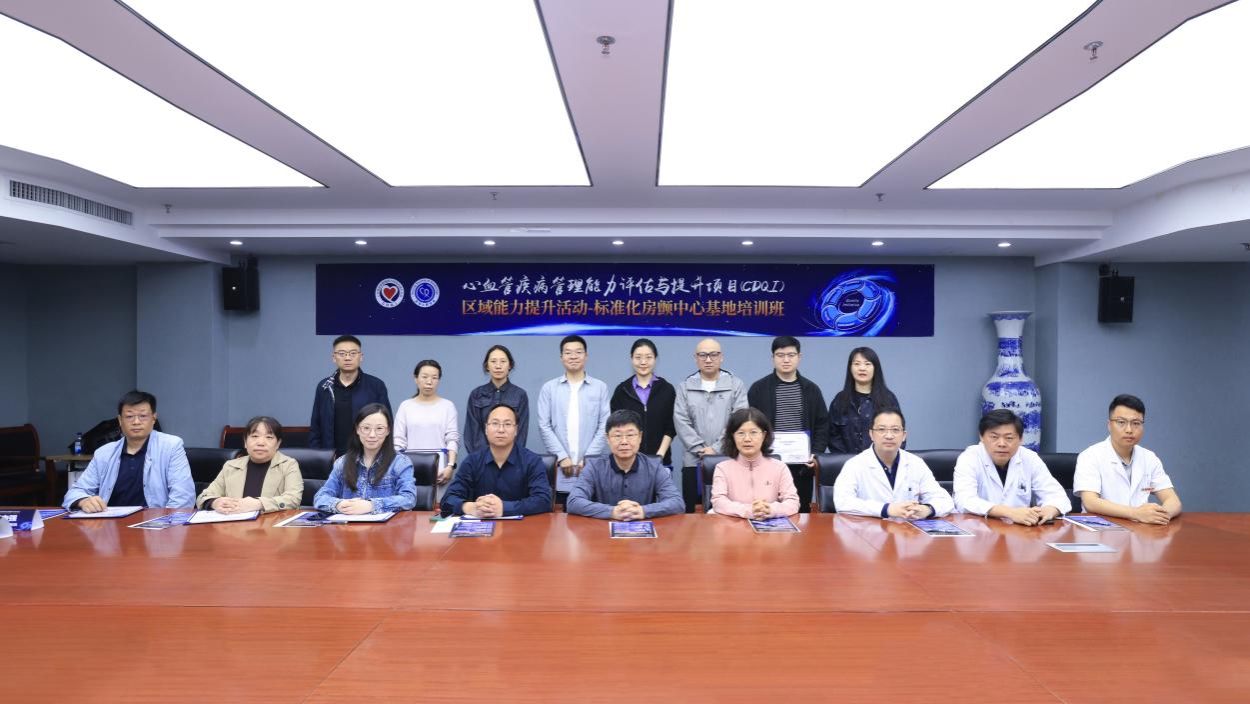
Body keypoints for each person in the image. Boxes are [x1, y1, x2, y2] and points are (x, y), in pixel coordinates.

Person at [63, 390, 195, 511]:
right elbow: (75, 492)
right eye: (129, 416)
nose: (136, 422)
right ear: (120, 420)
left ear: (153, 418)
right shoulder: (104, 453)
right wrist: (83, 501)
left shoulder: (171, 446)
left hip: (155, 524)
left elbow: (183, 497)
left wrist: (165, 523)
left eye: (143, 416)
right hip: (110, 525)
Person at [747, 335, 828, 512]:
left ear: (799, 357)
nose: (786, 360)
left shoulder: (811, 390)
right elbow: (750, 426)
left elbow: (822, 424)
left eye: (791, 355)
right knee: (765, 510)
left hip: (802, 466)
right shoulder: (758, 389)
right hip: (767, 463)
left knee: (800, 512)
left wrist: (815, 454)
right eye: (780, 355)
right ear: (772, 358)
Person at [1074, 394, 1182, 525]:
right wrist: (1136, 513)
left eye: (1136, 423)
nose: (1129, 430)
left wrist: (1160, 516)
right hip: (1100, 529)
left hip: (1140, 529)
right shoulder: (1090, 455)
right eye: (1121, 422)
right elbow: (1091, 502)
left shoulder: (1149, 458)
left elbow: (1173, 500)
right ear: (1109, 425)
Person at [953, 409, 1070, 524]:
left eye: (1009, 438)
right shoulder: (970, 458)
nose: (1001, 444)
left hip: (1021, 531)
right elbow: (964, 500)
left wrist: (1048, 510)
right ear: (981, 437)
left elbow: (1058, 497)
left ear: (1021, 439)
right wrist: (1010, 512)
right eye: (994, 437)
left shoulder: (1029, 458)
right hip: (980, 529)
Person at [833, 408, 953, 518]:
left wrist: (927, 509)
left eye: (895, 430)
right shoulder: (855, 465)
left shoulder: (916, 463)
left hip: (907, 531)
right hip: (869, 530)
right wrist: (886, 509)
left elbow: (945, 501)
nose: (889, 436)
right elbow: (842, 502)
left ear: (904, 435)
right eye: (881, 429)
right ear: (871, 434)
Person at [673, 338, 748, 512]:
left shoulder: (735, 385)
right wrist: (701, 449)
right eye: (703, 355)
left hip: (728, 458)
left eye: (713, 354)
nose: (708, 359)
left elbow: (739, 420)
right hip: (693, 461)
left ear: (721, 357)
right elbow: (681, 420)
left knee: (728, 512)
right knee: (692, 514)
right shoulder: (685, 387)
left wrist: (716, 449)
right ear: (695, 358)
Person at [566, 410, 683, 520]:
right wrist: (612, 511)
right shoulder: (594, 466)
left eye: (630, 435)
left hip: (643, 529)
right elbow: (573, 502)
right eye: (617, 436)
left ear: (640, 437)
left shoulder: (654, 466)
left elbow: (677, 502)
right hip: (601, 529)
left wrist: (643, 511)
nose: (624, 442)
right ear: (607, 439)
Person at [536, 334, 611, 501]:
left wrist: (589, 459)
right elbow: (544, 425)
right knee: (559, 511)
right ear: (561, 357)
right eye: (568, 353)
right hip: (560, 468)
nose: (573, 356)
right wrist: (562, 456)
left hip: (591, 466)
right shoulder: (549, 388)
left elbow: (604, 425)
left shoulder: (600, 387)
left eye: (578, 352)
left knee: (592, 510)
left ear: (586, 356)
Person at [442, 404, 552, 517]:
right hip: (480, 526)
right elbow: (448, 499)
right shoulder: (472, 461)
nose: (501, 430)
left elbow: (544, 500)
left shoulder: (532, 461)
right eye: (495, 423)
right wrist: (470, 507)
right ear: (486, 429)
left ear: (516, 430)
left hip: (521, 526)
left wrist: (504, 508)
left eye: (507, 424)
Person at [313, 403, 416, 514]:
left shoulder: (400, 463)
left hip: (387, 524)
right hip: (349, 523)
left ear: (388, 431)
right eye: (366, 428)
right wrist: (338, 504)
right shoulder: (342, 463)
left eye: (379, 428)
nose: (372, 435)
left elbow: (409, 498)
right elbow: (320, 497)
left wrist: (372, 506)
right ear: (357, 429)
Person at [196, 416, 303, 513]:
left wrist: (259, 504)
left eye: (269, 437)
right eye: (255, 436)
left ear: (278, 443)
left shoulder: (288, 465)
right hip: (233, 525)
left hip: (271, 526)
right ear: (245, 442)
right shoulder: (231, 466)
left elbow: (293, 500)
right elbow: (204, 496)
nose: (261, 443)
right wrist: (215, 502)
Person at [309, 334, 392, 455]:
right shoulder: (324, 387)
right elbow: (316, 426)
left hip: (366, 454)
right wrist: (318, 456)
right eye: (342, 353)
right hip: (331, 455)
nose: (347, 358)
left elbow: (386, 423)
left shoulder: (376, 385)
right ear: (334, 357)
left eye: (353, 353)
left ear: (361, 357)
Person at [710, 408, 799, 519]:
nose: (747, 439)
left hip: (770, 526)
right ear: (733, 436)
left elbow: (793, 502)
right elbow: (718, 502)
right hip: (734, 525)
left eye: (753, 432)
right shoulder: (722, 468)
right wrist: (749, 511)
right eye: (741, 433)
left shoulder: (780, 467)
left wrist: (770, 510)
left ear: (764, 435)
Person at [393, 359, 460, 492]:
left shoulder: (447, 406)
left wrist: (450, 466)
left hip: (440, 468)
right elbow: (398, 441)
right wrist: (399, 468)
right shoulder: (406, 406)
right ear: (416, 378)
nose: (429, 382)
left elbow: (452, 438)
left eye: (434, 378)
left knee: (438, 502)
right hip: (409, 467)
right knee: (410, 501)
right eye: (424, 377)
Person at [610, 338, 677, 465]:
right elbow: (615, 428)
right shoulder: (621, 390)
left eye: (648, 357)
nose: (643, 362)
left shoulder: (667, 389)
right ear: (631, 359)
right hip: (628, 462)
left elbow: (671, 427)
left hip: (661, 461)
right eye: (638, 357)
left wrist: (659, 456)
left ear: (655, 359)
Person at [827, 346, 901, 454]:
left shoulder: (888, 399)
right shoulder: (840, 400)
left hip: (880, 460)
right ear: (850, 368)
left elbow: (897, 433)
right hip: (847, 461)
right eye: (857, 364)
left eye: (867, 364)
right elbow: (832, 435)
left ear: (875, 368)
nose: (862, 368)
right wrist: (848, 459)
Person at [463, 344, 530, 456]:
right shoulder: (476, 394)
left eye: (503, 361)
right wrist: (485, 458)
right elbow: (472, 431)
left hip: (511, 460)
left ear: (510, 365)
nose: (498, 366)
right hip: (481, 460)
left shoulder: (520, 395)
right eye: (493, 361)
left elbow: (521, 432)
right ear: (487, 366)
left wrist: (509, 458)